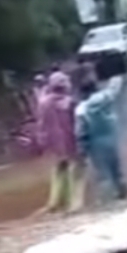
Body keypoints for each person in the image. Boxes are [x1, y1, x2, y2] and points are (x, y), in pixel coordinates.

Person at [75, 76, 127, 202]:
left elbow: (81, 131)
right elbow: (116, 84)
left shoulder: (82, 109)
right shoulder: (106, 97)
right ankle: (122, 190)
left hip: (96, 142)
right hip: (111, 137)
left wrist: (82, 150)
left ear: (83, 92)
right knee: (115, 165)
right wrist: (116, 77)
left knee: (103, 172)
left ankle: (108, 200)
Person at [36, 70, 84, 213]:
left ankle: (54, 202)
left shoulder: (43, 103)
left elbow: (41, 124)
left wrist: (42, 140)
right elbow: (78, 122)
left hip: (54, 143)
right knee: (76, 171)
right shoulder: (70, 102)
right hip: (70, 139)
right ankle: (74, 203)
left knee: (58, 171)